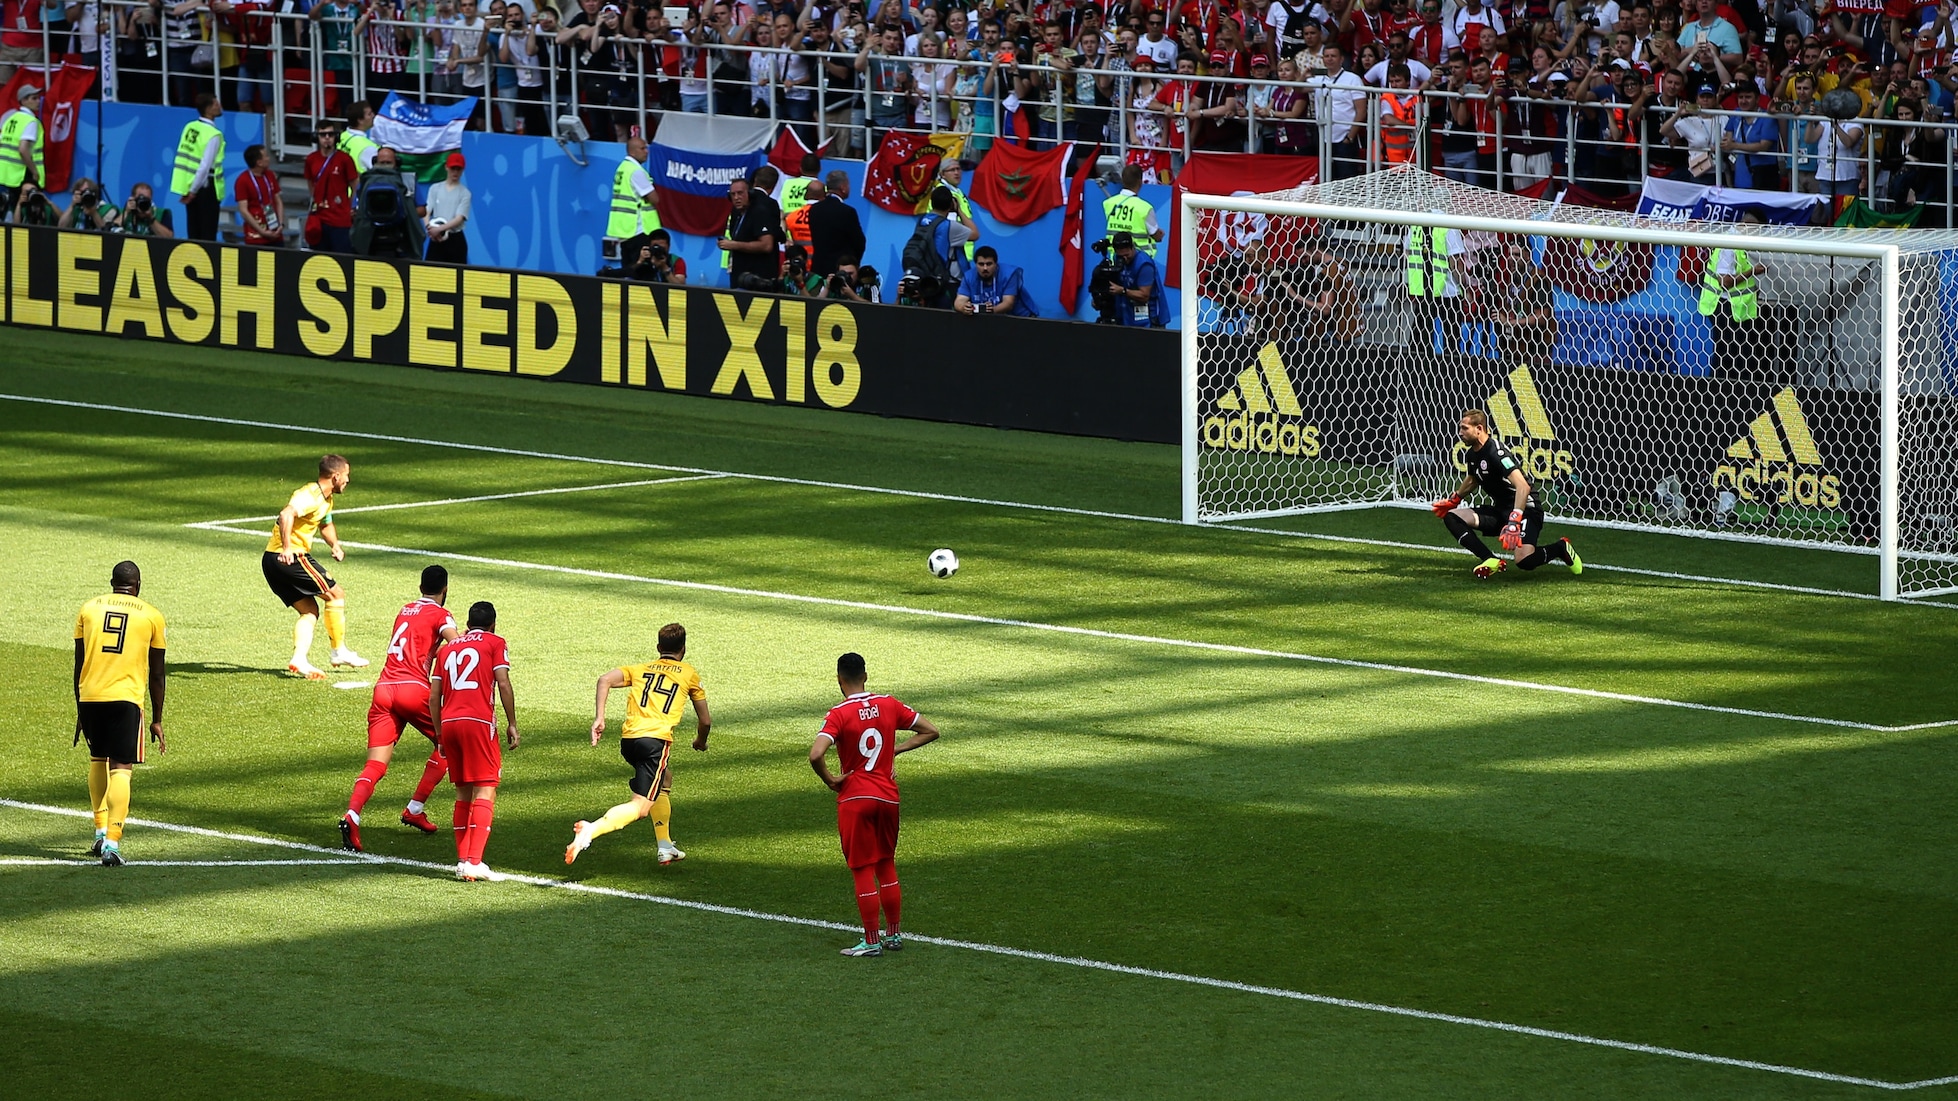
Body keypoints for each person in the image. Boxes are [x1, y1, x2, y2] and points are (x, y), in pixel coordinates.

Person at [808, 651, 941, 957]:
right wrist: (894, 751)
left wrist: (830, 779)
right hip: (888, 797)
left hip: (856, 798)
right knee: (886, 864)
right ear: (865, 676)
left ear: (839, 680)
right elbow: (931, 731)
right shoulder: (889, 704)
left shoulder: (839, 713)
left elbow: (816, 754)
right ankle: (893, 935)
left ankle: (871, 941)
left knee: (862, 869)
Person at [566, 622, 712, 866]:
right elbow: (705, 721)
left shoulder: (640, 669)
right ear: (683, 649)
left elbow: (604, 680)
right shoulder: (689, 674)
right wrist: (700, 741)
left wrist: (600, 718)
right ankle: (591, 830)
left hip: (630, 741)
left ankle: (665, 845)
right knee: (641, 806)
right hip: (655, 742)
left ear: (658, 647)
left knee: (664, 778)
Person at [339, 564, 461, 852]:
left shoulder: (405, 610)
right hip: (412, 689)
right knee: (449, 743)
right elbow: (456, 647)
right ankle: (415, 808)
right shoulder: (441, 614)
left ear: (420, 588)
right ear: (445, 590)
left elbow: (414, 645)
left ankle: (352, 815)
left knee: (375, 764)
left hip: (384, 689)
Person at [74, 560, 167, 866]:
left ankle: (100, 831)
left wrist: (79, 706)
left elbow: (78, 663)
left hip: (90, 696)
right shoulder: (151, 615)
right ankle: (112, 843)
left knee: (97, 759)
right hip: (126, 699)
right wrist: (157, 719)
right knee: (121, 768)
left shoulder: (88, 609)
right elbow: (157, 673)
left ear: (112, 583)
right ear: (137, 586)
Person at [1431, 409, 1582, 580]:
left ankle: (1560, 548)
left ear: (1479, 429)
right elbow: (1473, 479)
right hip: (1501, 511)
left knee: (1525, 561)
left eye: (1464, 428)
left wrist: (1514, 520)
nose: (1460, 433)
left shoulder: (1496, 452)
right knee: (1452, 517)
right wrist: (1455, 499)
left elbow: (1523, 486)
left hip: (1526, 510)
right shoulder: (1472, 454)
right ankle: (1490, 559)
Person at [430, 600, 518, 882]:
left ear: (467, 624)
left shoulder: (446, 649)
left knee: (463, 793)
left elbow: (434, 696)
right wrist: (512, 723)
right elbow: (503, 683)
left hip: (449, 723)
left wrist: (439, 734)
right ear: (493, 624)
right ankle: (475, 862)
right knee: (485, 789)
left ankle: (463, 861)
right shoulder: (495, 642)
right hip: (478, 722)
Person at [263, 454, 368, 679]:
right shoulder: (309, 494)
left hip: (272, 561)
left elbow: (325, 524)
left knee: (309, 610)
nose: (348, 480)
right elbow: (286, 514)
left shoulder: (326, 499)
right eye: (346, 476)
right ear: (336, 476)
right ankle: (338, 651)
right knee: (336, 594)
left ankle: (299, 659)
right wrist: (287, 548)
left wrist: (335, 545)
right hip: (290, 557)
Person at [352, 146, 427, 258]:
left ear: (397, 163)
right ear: (375, 162)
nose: (385, 166)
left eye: (388, 163)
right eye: (382, 163)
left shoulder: (408, 181)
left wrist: (403, 211)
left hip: (400, 239)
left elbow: (422, 210)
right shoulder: (366, 182)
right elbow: (356, 209)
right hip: (372, 237)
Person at [173, 92, 225, 241]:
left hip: (189, 185)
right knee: (207, 235)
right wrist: (193, 191)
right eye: (216, 104)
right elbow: (205, 166)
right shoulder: (213, 134)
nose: (219, 106)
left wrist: (189, 189)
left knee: (193, 232)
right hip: (204, 188)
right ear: (208, 109)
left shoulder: (190, 127)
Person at [720, 175, 783, 289]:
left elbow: (766, 245)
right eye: (733, 194)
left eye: (740, 193)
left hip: (758, 277)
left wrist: (734, 245)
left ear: (750, 193)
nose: (736, 198)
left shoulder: (760, 212)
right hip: (739, 275)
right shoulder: (736, 212)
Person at [304, 125, 359, 253]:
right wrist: (317, 200)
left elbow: (355, 185)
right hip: (319, 218)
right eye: (323, 135)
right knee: (319, 257)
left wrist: (349, 206)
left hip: (340, 219)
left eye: (331, 134)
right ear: (316, 137)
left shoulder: (345, 159)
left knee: (342, 257)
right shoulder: (311, 159)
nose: (327, 138)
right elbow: (310, 183)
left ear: (336, 137)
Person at [606, 134, 661, 259]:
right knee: (642, 269)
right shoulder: (636, 171)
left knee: (629, 267)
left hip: (625, 230)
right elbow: (655, 199)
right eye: (642, 148)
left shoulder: (623, 168)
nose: (646, 151)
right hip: (639, 229)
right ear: (632, 152)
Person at [808, 167, 866, 276]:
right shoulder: (847, 211)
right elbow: (859, 242)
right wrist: (853, 264)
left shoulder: (814, 209)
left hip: (818, 269)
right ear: (843, 188)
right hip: (841, 272)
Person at [954, 245, 1039, 316]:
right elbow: (959, 302)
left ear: (996, 264)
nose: (985, 268)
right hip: (990, 321)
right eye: (981, 264)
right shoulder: (969, 277)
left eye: (989, 264)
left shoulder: (1009, 274)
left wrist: (991, 310)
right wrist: (963, 308)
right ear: (976, 264)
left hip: (1019, 318)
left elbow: (1008, 304)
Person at [0, 82, 43, 220]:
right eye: (34, 98)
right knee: (19, 215)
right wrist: (34, 171)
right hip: (19, 175)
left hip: (4, 174)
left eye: (38, 98)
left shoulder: (10, 119)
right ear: (23, 100)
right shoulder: (30, 121)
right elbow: (23, 149)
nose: (38, 101)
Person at [1104, 231, 1165, 328]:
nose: (1124, 259)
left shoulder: (1144, 265)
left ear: (1132, 248)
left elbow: (1144, 295)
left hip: (1148, 318)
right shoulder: (1118, 258)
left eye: (1127, 255)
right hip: (1127, 314)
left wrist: (1122, 291)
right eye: (1121, 256)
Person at [1101, 163, 1162, 258]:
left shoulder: (1109, 203)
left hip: (1116, 259)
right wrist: (1160, 234)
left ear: (1123, 180)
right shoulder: (1145, 208)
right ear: (1140, 182)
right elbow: (1156, 236)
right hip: (1140, 261)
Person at [424, 151, 473, 263]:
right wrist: (430, 228)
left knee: (456, 272)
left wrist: (440, 229)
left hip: (455, 238)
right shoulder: (435, 188)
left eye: (458, 169)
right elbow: (427, 211)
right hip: (436, 237)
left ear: (462, 170)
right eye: (453, 168)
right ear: (446, 167)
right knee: (430, 271)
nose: (455, 172)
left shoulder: (465, 193)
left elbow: (459, 218)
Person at [234, 143, 285, 247]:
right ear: (259, 162)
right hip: (256, 236)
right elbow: (243, 210)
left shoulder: (270, 175)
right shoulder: (242, 181)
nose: (269, 158)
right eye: (266, 156)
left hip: (275, 231)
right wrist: (261, 231)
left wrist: (281, 224)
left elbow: (278, 201)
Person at [339, 101, 382, 173]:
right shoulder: (368, 148)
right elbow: (379, 173)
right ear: (360, 120)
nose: (373, 115)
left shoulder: (342, 135)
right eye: (369, 114)